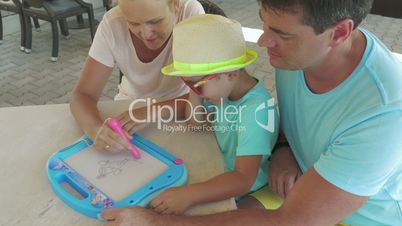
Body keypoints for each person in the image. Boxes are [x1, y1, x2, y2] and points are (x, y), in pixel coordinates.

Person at [101, 0, 402, 225]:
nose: (261, 42)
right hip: (296, 185)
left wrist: (156, 221)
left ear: (339, 33)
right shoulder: (296, 56)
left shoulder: (382, 114)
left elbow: (289, 221)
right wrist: (283, 148)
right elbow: (292, 114)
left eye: (281, 33)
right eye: (264, 23)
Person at [145, 14, 278, 215]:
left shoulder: (256, 113)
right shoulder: (224, 91)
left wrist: (189, 195)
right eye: (185, 82)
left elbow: (243, 179)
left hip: (252, 189)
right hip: (224, 170)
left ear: (231, 74)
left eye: (195, 85)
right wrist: (196, 88)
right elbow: (195, 123)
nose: (193, 91)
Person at [70, 0, 204, 153]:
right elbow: (82, 95)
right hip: (128, 108)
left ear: (176, 6)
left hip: (182, 110)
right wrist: (95, 129)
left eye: (155, 21)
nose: (146, 34)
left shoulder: (190, 14)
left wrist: (152, 111)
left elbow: (207, 92)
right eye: (133, 23)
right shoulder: (112, 24)